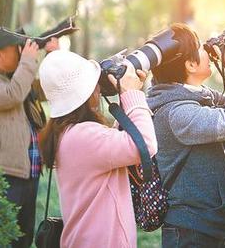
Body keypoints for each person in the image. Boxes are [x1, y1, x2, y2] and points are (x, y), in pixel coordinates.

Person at [146, 23, 225, 248]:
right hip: (191, 231)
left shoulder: (196, 96)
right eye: (200, 47)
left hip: (207, 224)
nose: (207, 49)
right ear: (190, 64)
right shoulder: (178, 112)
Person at [39, 50, 157, 247]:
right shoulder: (83, 136)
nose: (99, 89)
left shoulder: (70, 133)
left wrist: (129, 95)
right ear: (85, 94)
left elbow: (119, 142)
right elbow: (145, 144)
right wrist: (132, 93)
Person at [0, 28, 58, 248]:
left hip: (28, 170)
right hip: (5, 172)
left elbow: (43, 89)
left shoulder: (13, 79)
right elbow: (13, 94)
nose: (20, 54)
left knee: (23, 237)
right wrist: (28, 61)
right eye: (15, 50)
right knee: (5, 237)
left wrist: (52, 57)